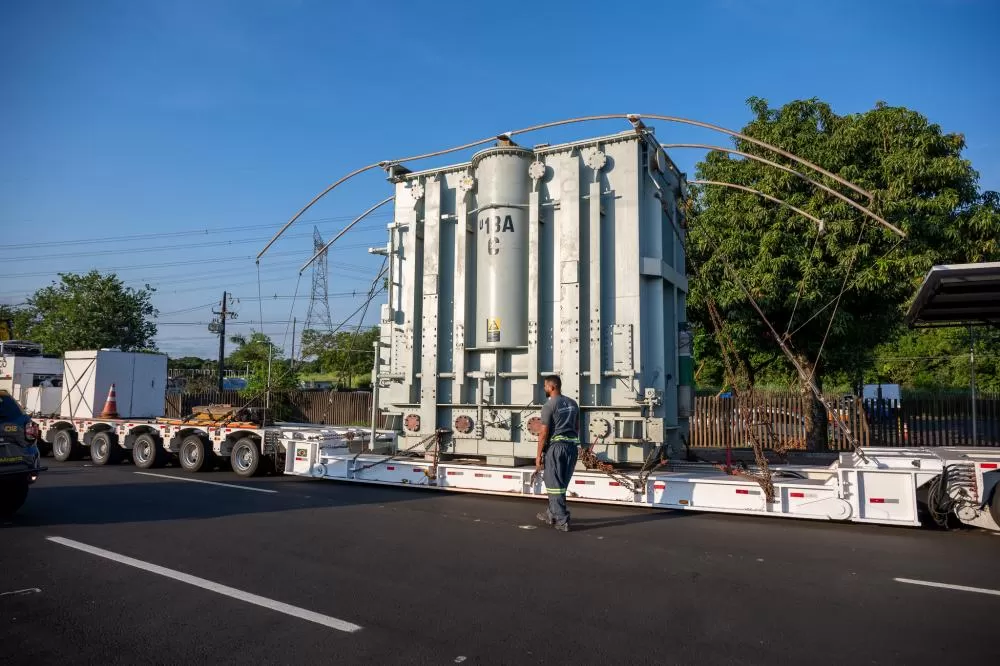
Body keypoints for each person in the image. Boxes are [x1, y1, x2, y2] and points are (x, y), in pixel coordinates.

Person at [535, 375, 581, 532]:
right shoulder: (573, 403)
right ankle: (551, 514)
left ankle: (562, 520)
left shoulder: (549, 405)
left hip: (556, 448)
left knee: (554, 485)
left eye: (545, 386)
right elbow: (577, 427)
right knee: (560, 485)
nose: (544, 388)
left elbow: (543, 433)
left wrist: (538, 456)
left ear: (551, 387)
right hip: (571, 449)